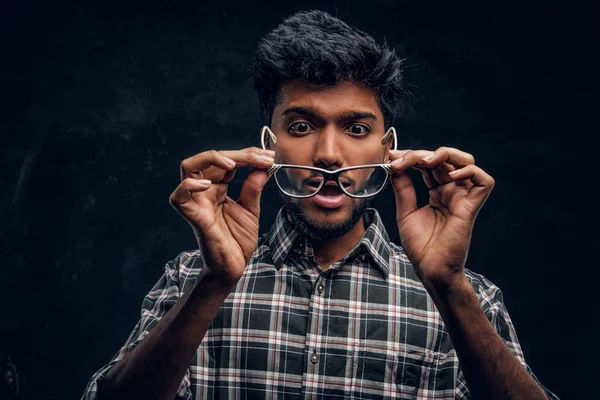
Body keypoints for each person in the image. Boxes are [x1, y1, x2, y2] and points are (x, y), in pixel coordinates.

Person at [82, 10, 559, 400]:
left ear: (387, 149)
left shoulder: (467, 297)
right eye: (302, 125)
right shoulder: (192, 279)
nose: (329, 154)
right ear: (269, 145)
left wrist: (449, 286)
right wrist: (214, 283)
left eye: (355, 128)